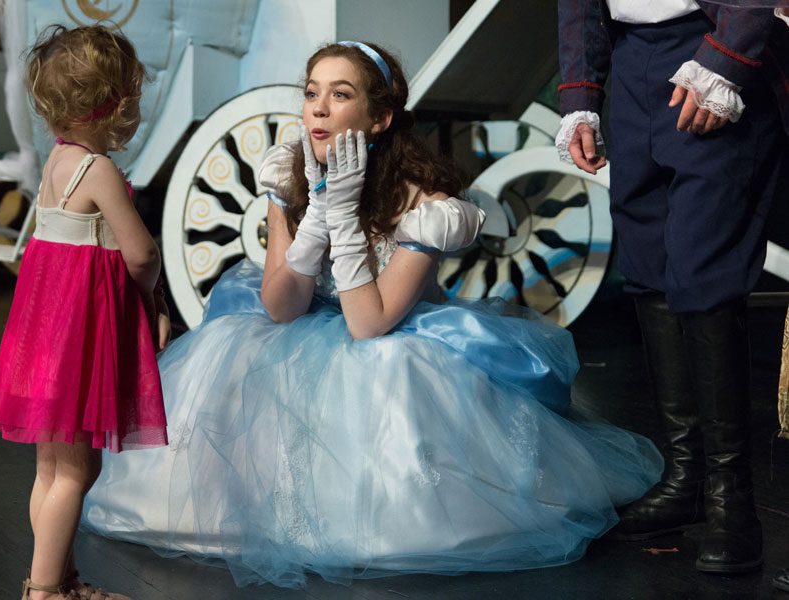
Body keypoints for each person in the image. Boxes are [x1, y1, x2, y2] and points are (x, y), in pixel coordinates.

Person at [81, 41, 663, 589]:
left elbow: (368, 323)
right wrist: (313, 213)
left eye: (340, 95)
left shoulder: (426, 202)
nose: (318, 109)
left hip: (390, 334)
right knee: (241, 357)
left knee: (387, 372)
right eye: (312, 93)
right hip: (304, 326)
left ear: (379, 119)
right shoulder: (290, 177)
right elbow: (281, 308)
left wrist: (343, 212)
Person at [557, 0, 789, 575]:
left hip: (713, 41)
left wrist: (728, 57)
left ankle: (731, 498)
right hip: (635, 56)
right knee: (649, 261)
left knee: (703, 264)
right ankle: (686, 479)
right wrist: (581, 97)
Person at [0, 24, 170, 600]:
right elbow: (139, 252)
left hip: (44, 333)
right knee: (77, 471)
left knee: (50, 470)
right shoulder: (100, 172)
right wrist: (152, 299)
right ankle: (44, 591)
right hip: (78, 340)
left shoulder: (58, 164)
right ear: (112, 106)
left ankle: (57, 579)